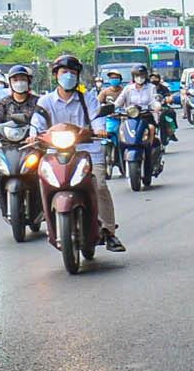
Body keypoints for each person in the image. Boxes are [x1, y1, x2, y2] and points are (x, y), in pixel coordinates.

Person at [34, 53, 126, 251]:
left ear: (77, 76)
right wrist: (33, 135)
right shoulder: (45, 101)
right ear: (56, 75)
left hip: (88, 150)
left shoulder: (88, 98)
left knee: (99, 185)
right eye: (64, 71)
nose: (68, 75)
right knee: (42, 181)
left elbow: (97, 119)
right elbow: (37, 123)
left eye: (72, 72)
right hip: (54, 153)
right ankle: (47, 219)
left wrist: (100, 129)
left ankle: (109, 231)